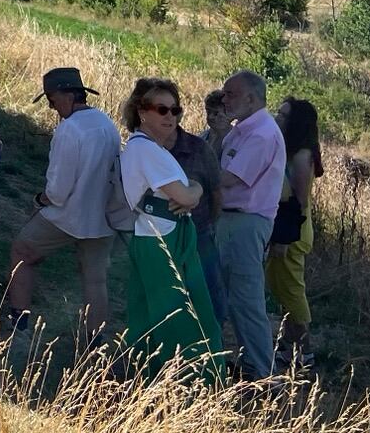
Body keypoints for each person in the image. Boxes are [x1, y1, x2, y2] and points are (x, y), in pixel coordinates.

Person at [2, 66, 119, 344]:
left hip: (66, 215)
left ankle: (20, 326)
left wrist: (38, 200)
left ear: (67, 96)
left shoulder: (69, 129)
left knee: (21, 251)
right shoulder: (106, 123)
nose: (53, 108)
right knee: (95, 278)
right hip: (102, 215)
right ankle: (95, 341)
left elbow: (58, 191)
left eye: (53, 101)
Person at [118, 77, 224, 381]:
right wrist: (195, 188)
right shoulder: (145, 150)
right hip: (164, 237)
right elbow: (186, 196)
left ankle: (148, 382)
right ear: (142, 111)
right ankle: (189, 388)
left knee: (154, 315)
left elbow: (187, 194)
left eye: (175, 110)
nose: (170, 117)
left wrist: (191, 190)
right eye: (161, 110)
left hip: (160, 233)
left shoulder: (148, 149)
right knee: (187, 319)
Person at [215, 69, 286, 380]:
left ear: (251, 98)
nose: (224, 99)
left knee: (245, 300)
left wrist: (181, 179)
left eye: (230, 94)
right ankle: (247, 366)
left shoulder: (261, 134)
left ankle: (262, 374)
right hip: (231, 220)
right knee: (227, 296)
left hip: (245, 222)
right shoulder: (241, 129)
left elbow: (229, 178)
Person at [267, 96, 323, 368]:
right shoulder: (289, 151)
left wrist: (284, 238)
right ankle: (288, 348)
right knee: (282, 289)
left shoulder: (301, 156)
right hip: (286, 229)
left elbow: (298, 203)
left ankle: (306, 352)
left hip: (293, 231)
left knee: (292, 292)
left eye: (283, 114)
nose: (277, 117)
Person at [169, 91, 227, 326]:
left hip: (200, 226)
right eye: (209, 112)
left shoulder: (205, 146)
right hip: (166, 231)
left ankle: (215, 342)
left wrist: (211, 223)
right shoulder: (203, 138)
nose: (213, 117)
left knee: (210, 290)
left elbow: (216, 191)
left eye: (218, 113)